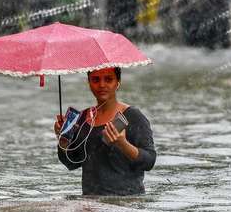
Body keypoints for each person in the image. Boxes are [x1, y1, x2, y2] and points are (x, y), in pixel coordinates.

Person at [53, 67, 157, 196]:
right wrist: (63, 142)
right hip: (91, 203)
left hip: (127, 201)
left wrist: (123, 144)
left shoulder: (133, 116)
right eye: (95, 80)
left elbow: (150, 161)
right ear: (89, 83)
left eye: (108, 79)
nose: (102, 85)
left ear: (118, 83)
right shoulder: (82, 118)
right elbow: (72, 163)